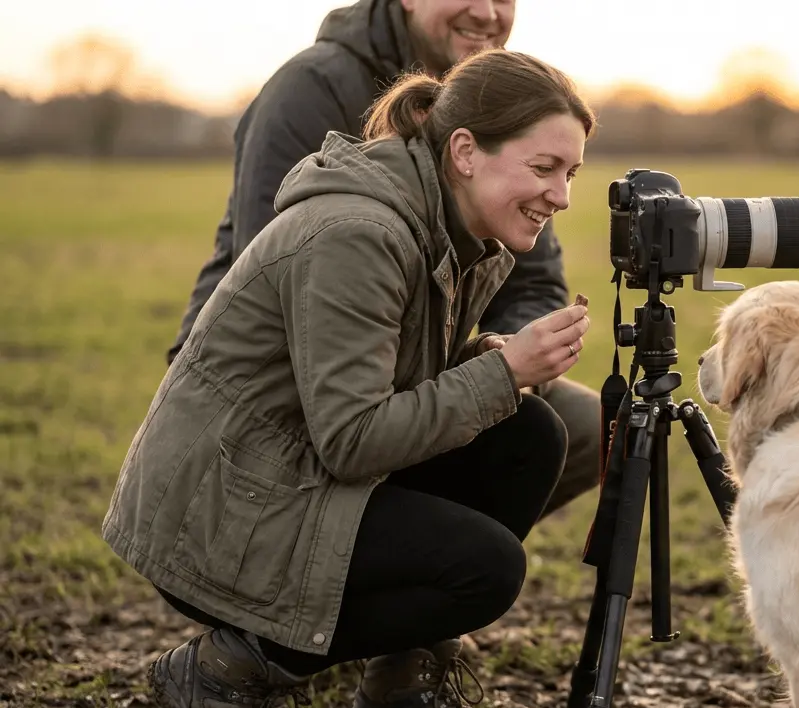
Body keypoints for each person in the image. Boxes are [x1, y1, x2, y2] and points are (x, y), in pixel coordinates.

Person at [102, 48, 596, 708]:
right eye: (544, 168)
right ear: (464, 151)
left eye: (571, 175)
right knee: (485, 570)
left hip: (287, 476)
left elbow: (382, 387)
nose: (560, 196)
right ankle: (220, 672)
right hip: (216, 516)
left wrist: (485, 361)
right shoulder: (358, 232)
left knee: (527, 437)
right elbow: (354, 438)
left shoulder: (461, 235)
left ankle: (401, 695)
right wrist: (501, 371)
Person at [169, 0, 600, 518]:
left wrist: (507, 357)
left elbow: (532, 283)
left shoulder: (516, 111)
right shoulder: (311, 87)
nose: (487, 12)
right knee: (436, 487)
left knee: (579, 429)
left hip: (418, 368)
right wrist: (467, 383)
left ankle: (422, 561)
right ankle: (318, 558)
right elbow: (283, 269)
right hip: (284, 387)